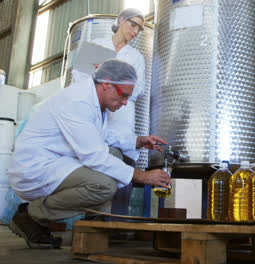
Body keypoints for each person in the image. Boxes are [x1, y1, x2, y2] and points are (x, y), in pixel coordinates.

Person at [8, 59, 171, 249]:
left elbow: (101, 135)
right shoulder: (77, 102)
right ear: (106, 84)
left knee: (114, 154)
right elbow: (94, 156)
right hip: (35, 167)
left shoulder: (93, 100)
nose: (125, 102)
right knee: (103, 186)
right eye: (123, 95)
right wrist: (143, 176)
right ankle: (30, 214)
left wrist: (138, 140)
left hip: (58, 159)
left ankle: (94, 218)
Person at [73, 8, 147, 216]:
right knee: (96, 160)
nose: (135, 31)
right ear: (121, 21)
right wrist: (109, 83)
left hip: (122, 114)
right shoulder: (98, 45)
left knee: (122, 159)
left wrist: (111, 83)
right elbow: (79, 77)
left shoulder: (136, 56)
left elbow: (138, 89)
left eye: (139, 29)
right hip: (95, 108)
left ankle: (117, 221)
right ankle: (93, 218)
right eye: (133, 24)